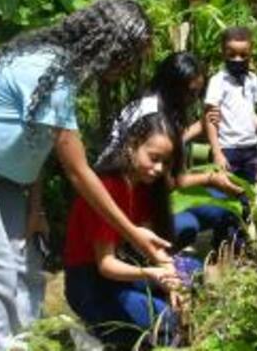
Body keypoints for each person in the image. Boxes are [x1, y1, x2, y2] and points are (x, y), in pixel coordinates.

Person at [0, 0, 170, 351]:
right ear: (108, 44)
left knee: (25, 259)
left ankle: (25, 340)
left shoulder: (63, 71)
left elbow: (36, 144)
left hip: (1, 171)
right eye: (130, 54)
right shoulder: (48, 72)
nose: (130, 66)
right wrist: (133, 234)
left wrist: (34, 211)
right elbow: (78, 172)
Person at [64, 113, 190, 347]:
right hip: (90, 283)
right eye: (153, 158)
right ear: (132, 145)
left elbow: (154, 248)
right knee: (167, 320)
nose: (158, 169)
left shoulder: (144, 187)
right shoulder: (108, 187)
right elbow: (106, 264)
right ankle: (99, 331)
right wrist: (151, 274)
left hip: (119, 274)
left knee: (191, 273)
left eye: (166, 162)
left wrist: (173, 277)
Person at [94, 52, 243, 248]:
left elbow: (173, 144)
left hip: (143, 192)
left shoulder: (153, 105)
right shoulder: (153, 116)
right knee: (189, 224)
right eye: (190, 93)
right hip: (125, 201)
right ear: (173, 87)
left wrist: (203, 124)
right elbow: (168, 180)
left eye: (198, 93)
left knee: (219, 208)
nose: (194, 99)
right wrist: (210, 179)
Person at [203, 27, 257, 238]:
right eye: (232, 54)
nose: (237, 59)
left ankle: (240, 243)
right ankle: (221, 246)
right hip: (227, 149)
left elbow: (250, 114)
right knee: (224, 200)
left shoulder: (253, 80)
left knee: (246, 198)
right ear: (223, 53)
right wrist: (217, 152)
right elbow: (210, 119)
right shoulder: (218, 81)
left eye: (243, 55)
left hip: (250, 149)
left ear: (251, 53)